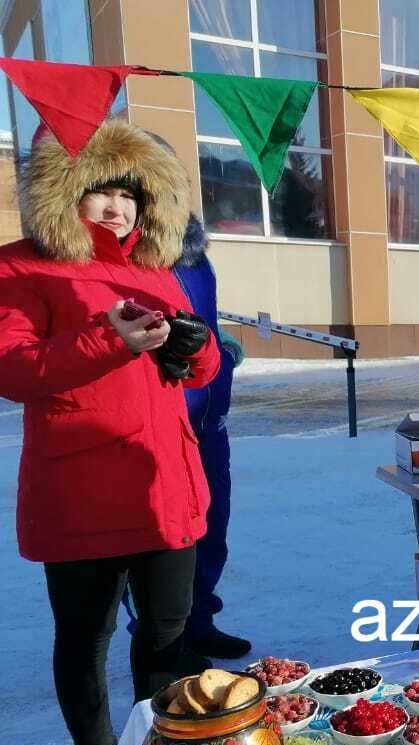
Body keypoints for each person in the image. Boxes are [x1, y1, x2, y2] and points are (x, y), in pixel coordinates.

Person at [0, 120, 220, 745]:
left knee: (167, 631)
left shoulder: (156, 269)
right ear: (64, 193)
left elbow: (198, 369)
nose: (117, 206)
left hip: (163, 483)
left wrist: (193, 346)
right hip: (81, 488)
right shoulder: (19, 266)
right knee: (85, 637)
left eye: (129, 192)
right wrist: (108, 339)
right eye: (99, 189)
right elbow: (13, 370)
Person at [171, 213, 250, 659]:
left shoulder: (195, 260)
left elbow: (201, 320)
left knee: (210, 530)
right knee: (167, 544)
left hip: (209, 424)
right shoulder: (135, 259)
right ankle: (165, 638)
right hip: (165, 428)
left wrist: (218, 346)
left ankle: (199, 622)